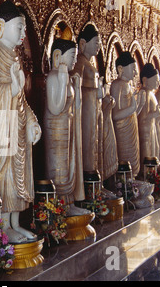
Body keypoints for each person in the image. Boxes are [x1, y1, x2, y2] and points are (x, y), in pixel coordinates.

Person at [0, 1, 41, 243]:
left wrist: (33, 121)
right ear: (1, 27)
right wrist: (12, 87)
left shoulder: (15, 55)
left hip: (17, 126)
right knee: (3, 175)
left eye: (25, 29)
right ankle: (2, 226)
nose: (24, 34)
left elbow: (21, 99)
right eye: (19, 28)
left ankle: (14, 222)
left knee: (19, 176)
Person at [44, 38, 89, 215]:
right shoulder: (53, 78)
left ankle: (69, 202)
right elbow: (55, 108)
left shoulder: (66, 78)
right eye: (72, 56)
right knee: (59, 167)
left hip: (67, 125)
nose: (74, 61)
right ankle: (60, 204)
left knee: (69, 163)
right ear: (58, 56)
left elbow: (76, 107)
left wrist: (76, 87)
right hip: (56, 129)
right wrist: (63, 82)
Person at [71, 24, 107, 179]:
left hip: (94, 109)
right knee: (87, 142)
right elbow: (75, 86)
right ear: (83, 44)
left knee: (94, 141)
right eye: (96, 42)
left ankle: (95, 178)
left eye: (99, 43)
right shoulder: (79, 63)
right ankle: (87, 177)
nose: (98, 46)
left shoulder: (91, 64)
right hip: (85, 111)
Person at [110, 51, 143, 177]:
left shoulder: (128, 86)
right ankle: (123, 185)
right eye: (133, 69)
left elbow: (133, 113)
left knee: (133, 163)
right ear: (120, 69)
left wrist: (138, 106)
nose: (135, 73)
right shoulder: (117, 85)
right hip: (122, 132)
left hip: (131, 130)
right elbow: (115, 115)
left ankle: (131, 183)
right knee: (125, 162)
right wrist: (133, 107)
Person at [137, 63, 160, 175]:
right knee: (147, 157)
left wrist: (158, 116)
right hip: (146, 133)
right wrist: (154, 114)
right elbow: (142, 118)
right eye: (156, 80)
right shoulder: (144, 93)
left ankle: (154, 176)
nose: (158, 83)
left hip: (153, 130)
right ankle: (146, 176)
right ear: (145, 79)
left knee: (154, 153)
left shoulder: (151, 94)